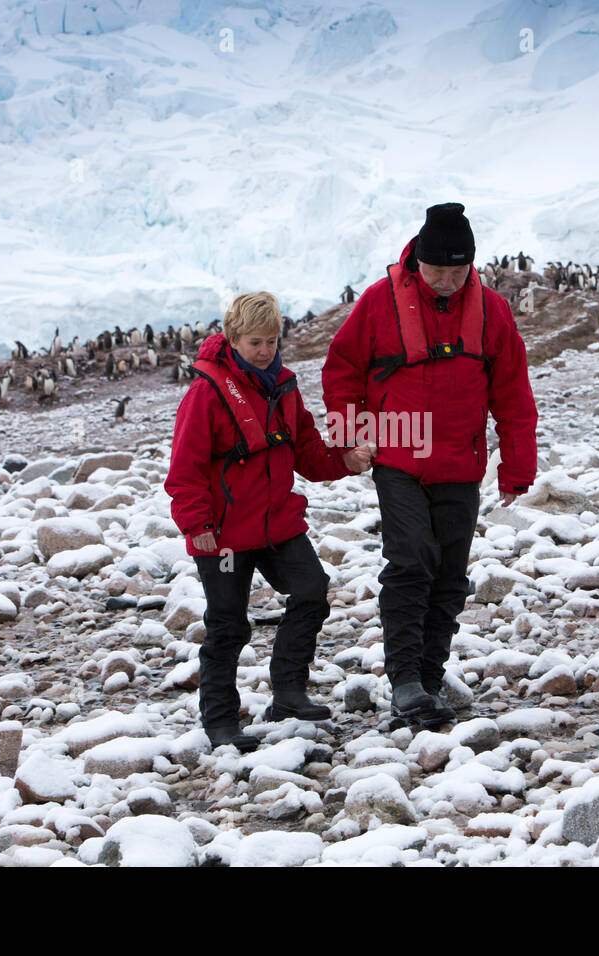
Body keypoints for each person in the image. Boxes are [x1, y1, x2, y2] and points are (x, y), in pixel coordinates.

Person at [322, 202, 538, 727]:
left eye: (456, 271)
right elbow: (342, 369)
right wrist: (352, 436)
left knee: (449, 573)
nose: (445, 281)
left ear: (472, 266)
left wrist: (517, 467)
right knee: (412, 558)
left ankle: (430, 675)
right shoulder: (378, 302)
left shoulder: (492, 310)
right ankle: (405, 681)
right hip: (398, 453)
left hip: (461, 461)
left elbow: (512, 392)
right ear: (418, 259)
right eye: (436, 269)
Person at [166, 292, 375, 752]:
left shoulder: (282, 385)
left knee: (311, 590)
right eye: (256, 342)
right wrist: (196, 524)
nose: (265, 351)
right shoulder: (207, 392)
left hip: (277, 523)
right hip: (222, 533)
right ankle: (220, 720)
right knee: (228, 624)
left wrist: (347, 461)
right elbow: (184, 470)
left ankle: (288, 691)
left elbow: (306, 450)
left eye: (272, 341)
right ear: (233, 339)